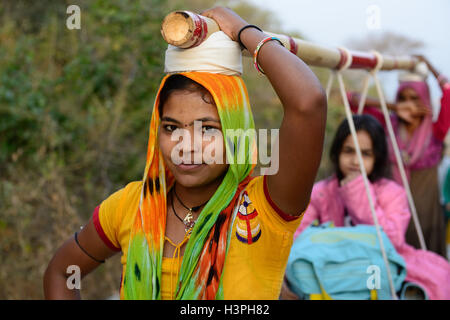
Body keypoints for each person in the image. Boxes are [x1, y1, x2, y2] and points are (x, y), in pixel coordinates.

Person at [43, 7, 327, 300]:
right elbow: (62, 272)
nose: (186, 145)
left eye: (207, 129)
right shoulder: (130, 206)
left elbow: (308, 103)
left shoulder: (263, 210)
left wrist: (245, 31)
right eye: (171, 127)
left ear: (234, 130)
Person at [281, 115, 450, 300]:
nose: (356, 161)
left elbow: (391, 241)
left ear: (377, 157)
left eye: (365, 154)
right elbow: (296, 239)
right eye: (349, 151)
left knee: (437, 279)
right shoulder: (320, 192)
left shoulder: (391, 192)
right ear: (337, 153)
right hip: (332, 270)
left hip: (380, 267)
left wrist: (357, 192)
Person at [347, 56, 450, 258]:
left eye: (415, 99)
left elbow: (448, 92)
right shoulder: (387, 124)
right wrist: (393, 107)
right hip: (390, 216)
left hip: (426, 218)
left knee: (426, 269)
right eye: (403, 98)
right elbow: (351, 98)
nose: (409, 105)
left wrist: (430, 66)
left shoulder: (436, 131)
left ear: (425, 102)